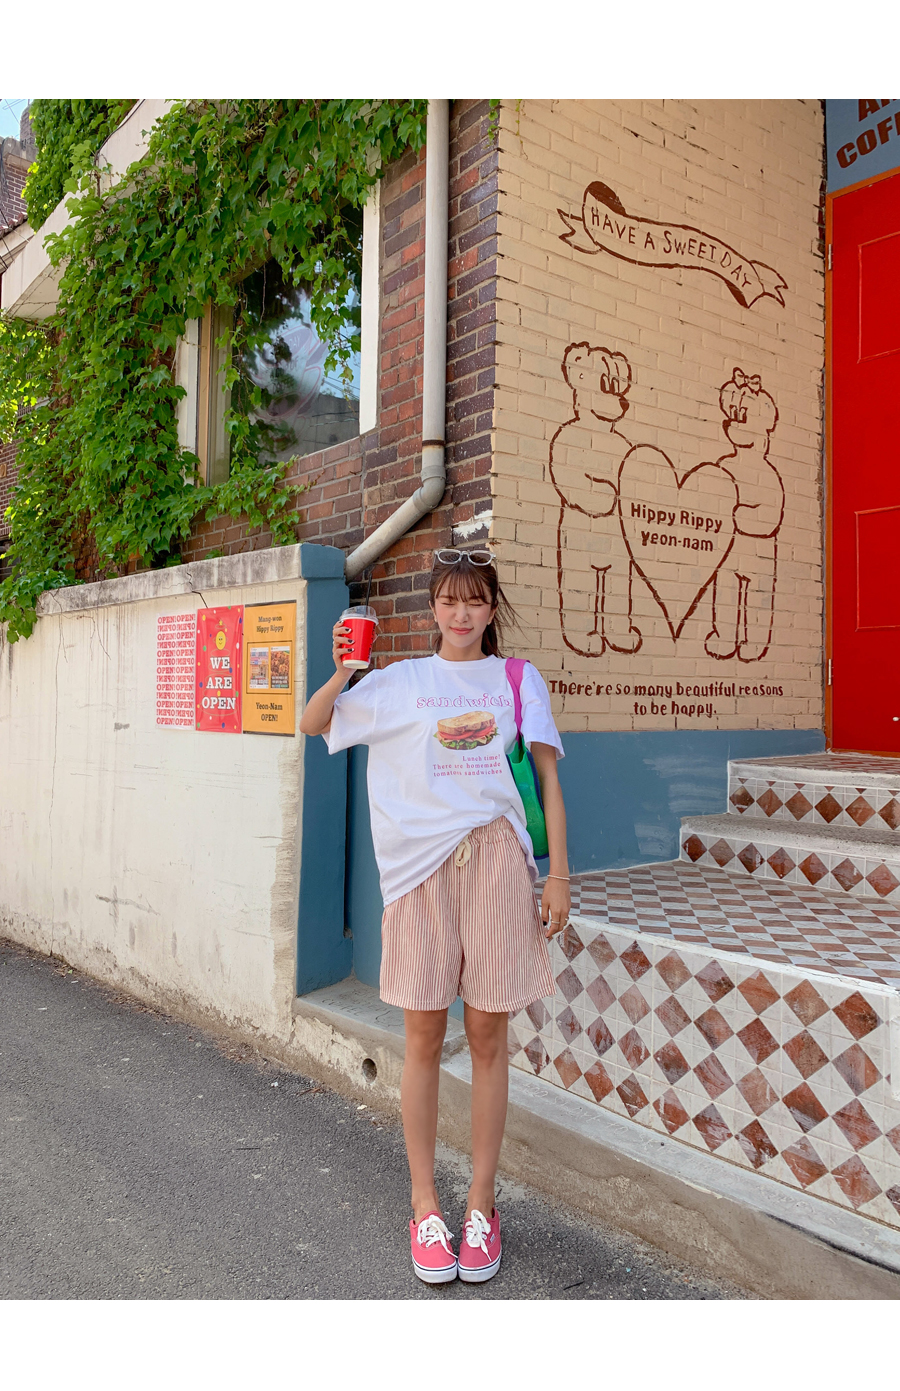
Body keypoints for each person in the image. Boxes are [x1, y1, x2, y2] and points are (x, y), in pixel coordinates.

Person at [299, 547, 571, 1286]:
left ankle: (481, 1204)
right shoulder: (400, 682)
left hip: (497, 864)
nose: (461, 614)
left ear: (491, 609)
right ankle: (424, 1204)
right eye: (449, 601)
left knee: (487, 1034)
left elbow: (548, 779)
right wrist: (344, 671)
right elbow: (313, 722)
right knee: (423, 1035)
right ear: (432, 608)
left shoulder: (518, 679)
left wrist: (558, 876)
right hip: (417, 872)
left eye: (475, 600)